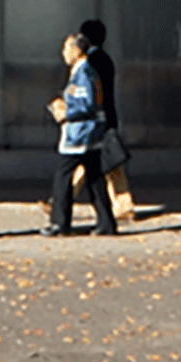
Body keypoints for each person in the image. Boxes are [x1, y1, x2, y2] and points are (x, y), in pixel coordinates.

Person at [43, 30, 118, 237]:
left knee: (63, 176)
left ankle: (60, 222)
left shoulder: (84, 73)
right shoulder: (84, 71)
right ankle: (106, 222)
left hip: (80, 134)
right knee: (95, 178)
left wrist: (66, 112)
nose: (63, 53)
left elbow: (87, 103)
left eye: (66, 48)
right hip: (90, 133)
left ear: (77, 50)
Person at [78, 17, 134, 222]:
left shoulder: (91, 61)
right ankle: (124, 204)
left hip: (98, 118)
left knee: (88, 160)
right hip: (107, 116)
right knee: (110, 163)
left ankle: (60, 201)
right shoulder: (104, 58)